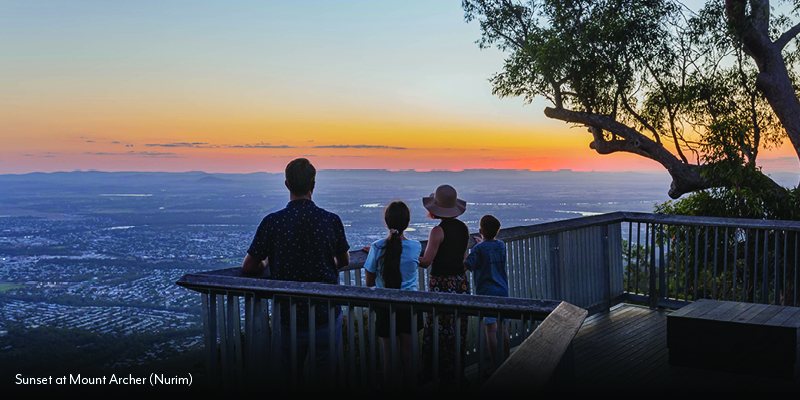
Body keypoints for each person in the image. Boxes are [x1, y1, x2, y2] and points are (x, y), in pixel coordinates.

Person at [241, 158, 350, 386]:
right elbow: (343, 260)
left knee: (289, 377)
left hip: (288, 317)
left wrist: (267, 264)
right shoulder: (331, 220)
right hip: (326, 313)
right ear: (313, 184)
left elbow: (249, 266)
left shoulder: (273, 222)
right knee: (325, 377)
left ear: (287, 184)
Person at [363, 201, 423, 388]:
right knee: (408, 355)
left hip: (385, 305)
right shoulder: (415, 247)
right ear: (408, 221)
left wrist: (374, 250)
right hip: (410, 305)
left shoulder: (377, 247)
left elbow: (369, 281)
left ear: (387, 222)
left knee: (389, 359)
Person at [418, 184, 470, 384]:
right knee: (458, 329)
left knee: (438, 328)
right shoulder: (463, 228)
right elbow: (464, 262)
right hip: (461, 283)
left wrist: (408, 252)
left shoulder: (437, 231)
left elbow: (426, 262)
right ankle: (456, 373)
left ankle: (436, 374)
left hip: (441, 285)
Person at [464, 214, 510, 374]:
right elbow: (490, 248)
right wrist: (483, 244)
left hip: (486, 292)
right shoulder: (501, 245)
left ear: (480, 230)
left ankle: (496, 365)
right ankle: (506, 361)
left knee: (490, 329)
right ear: (497, 231)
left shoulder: (479, 248)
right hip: (503, 290)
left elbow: (467, 266)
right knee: (503, 327)